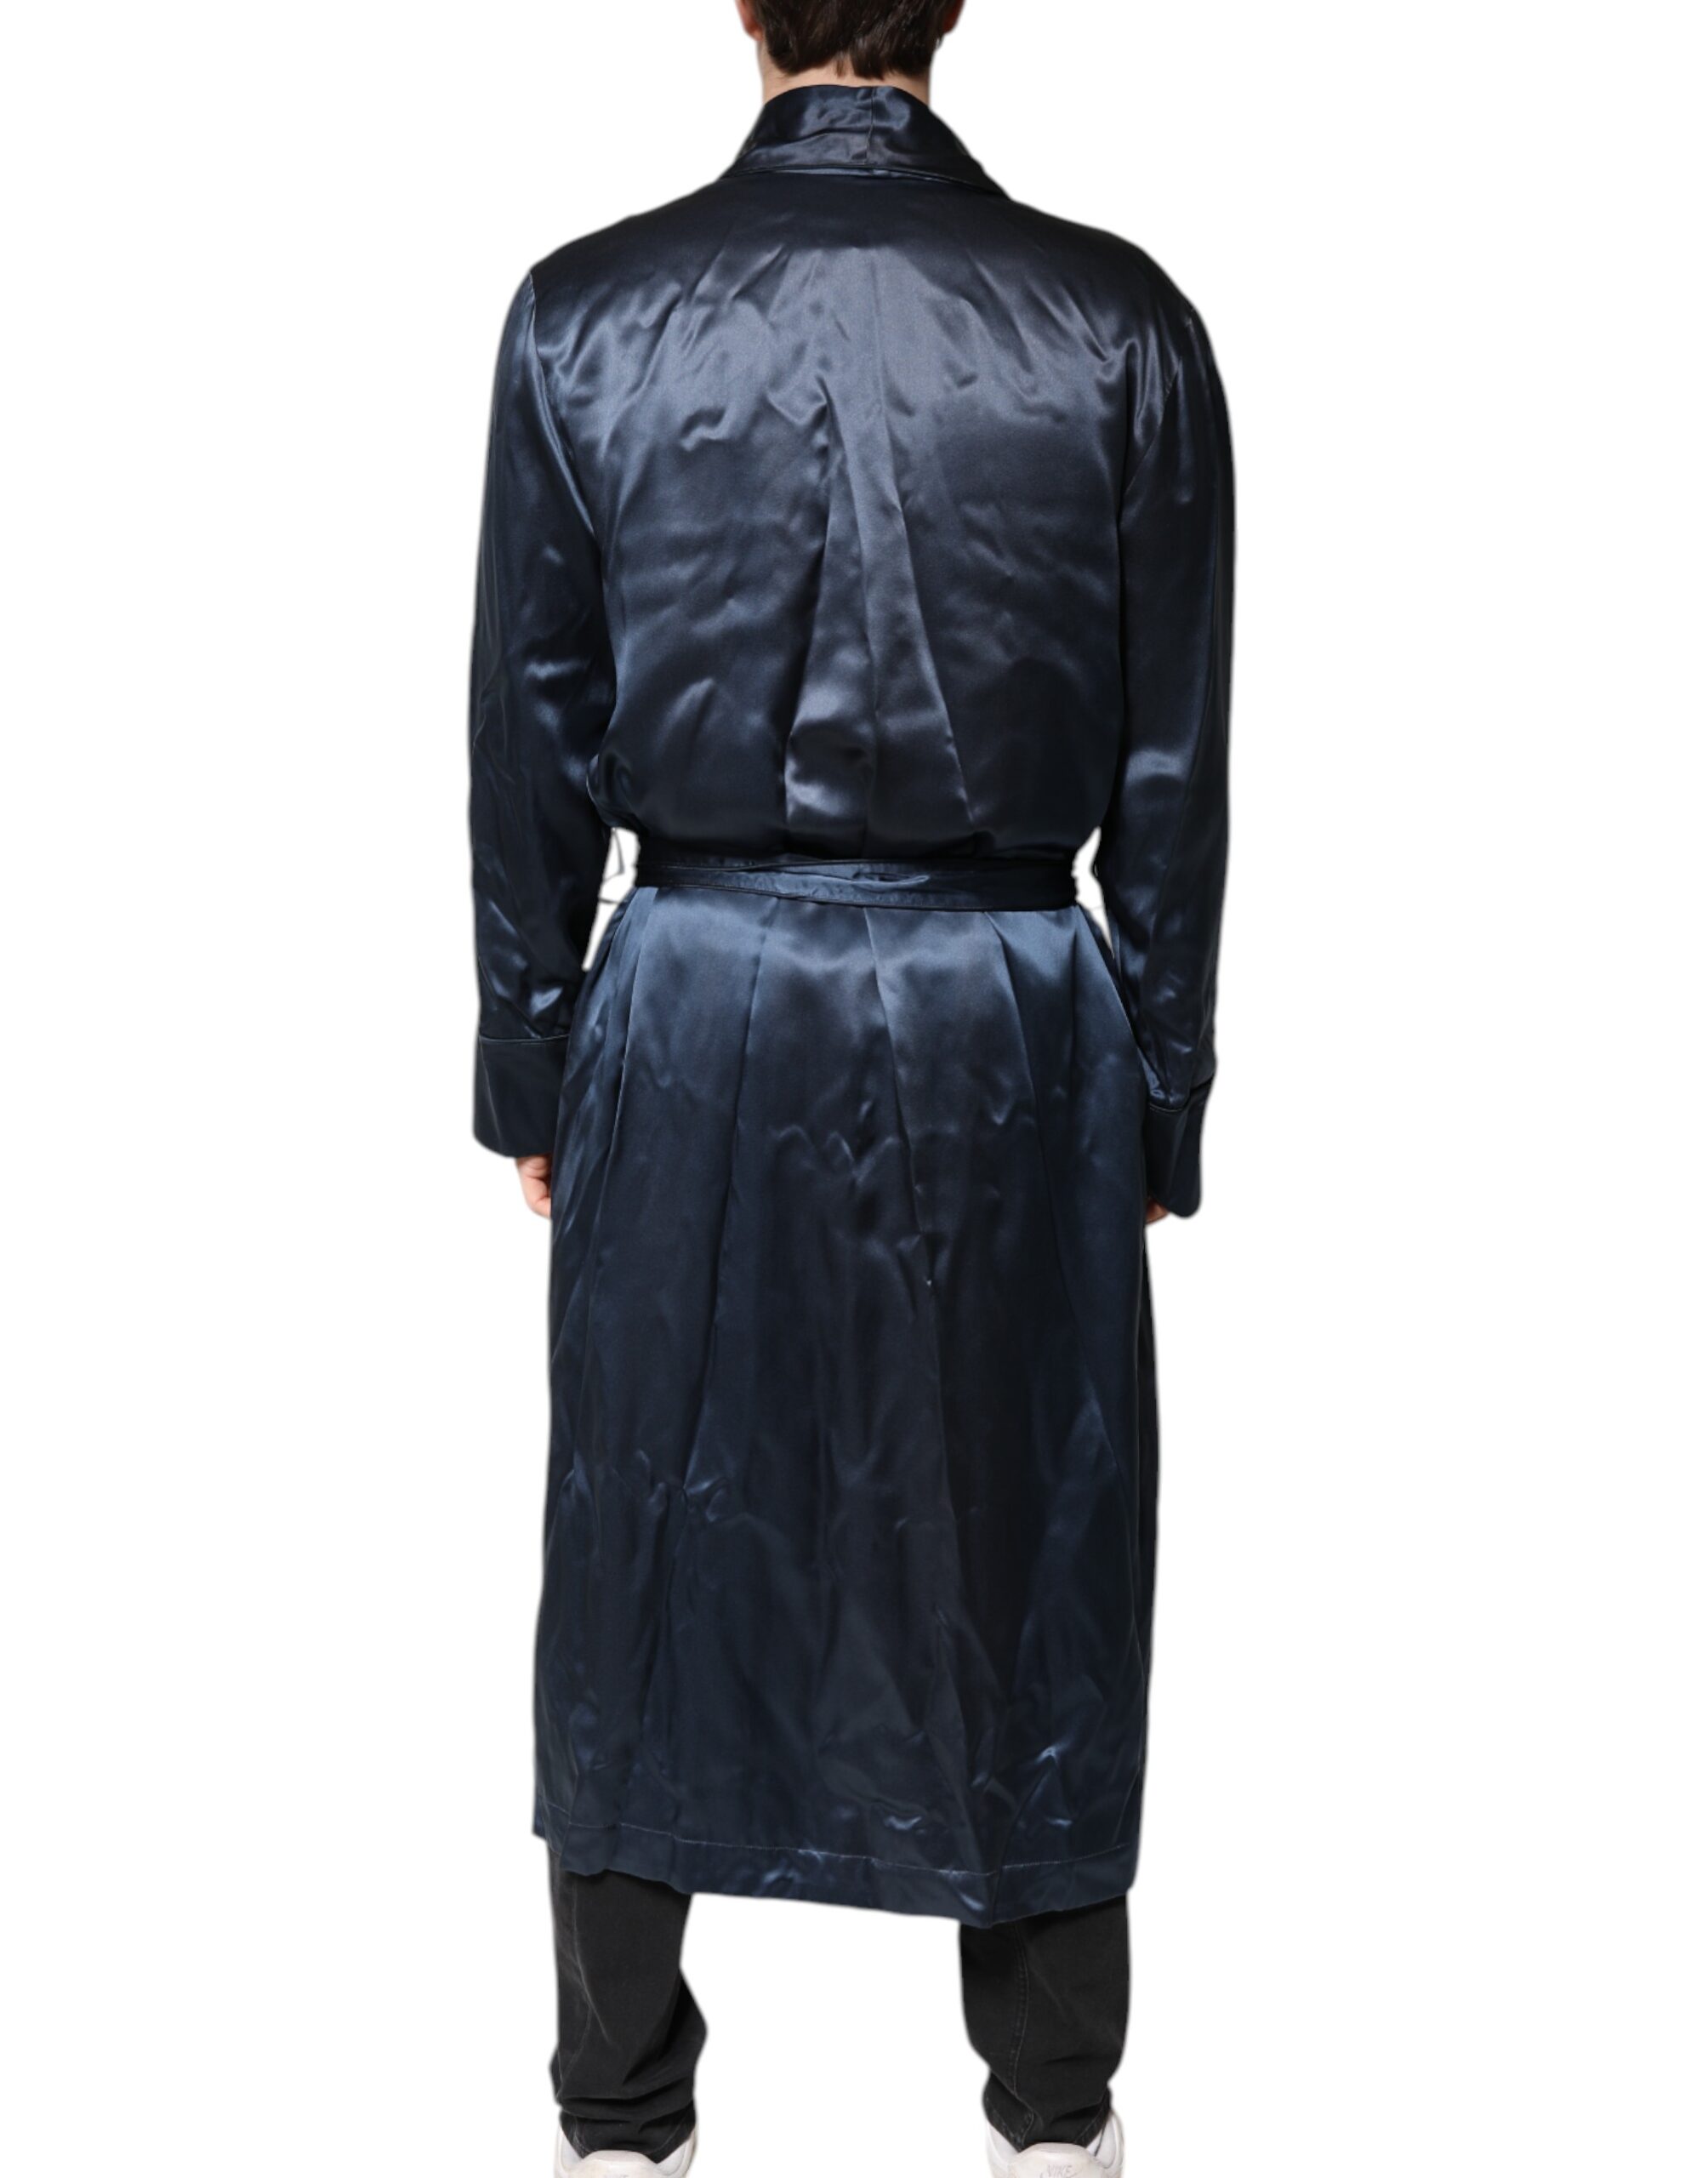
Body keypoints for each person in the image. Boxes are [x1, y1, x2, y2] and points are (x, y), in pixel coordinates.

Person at [468, 1, 1233, 2169]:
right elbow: (1170, 761)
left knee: (642, 1526)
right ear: (948, 7)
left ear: (746, 6)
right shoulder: (1118, 326)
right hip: (1012, 1014)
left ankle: (620, 2118)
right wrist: (1160, 1083)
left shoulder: (584, 315)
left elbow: (530, 725)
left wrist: (531, 1053)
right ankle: (1055, 2117)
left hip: (692, 998)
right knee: (1033, 1525)